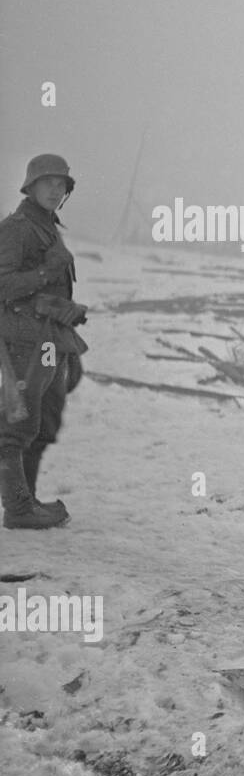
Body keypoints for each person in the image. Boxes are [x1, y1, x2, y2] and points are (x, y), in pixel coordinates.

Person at [0, 154, 90, 529]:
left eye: (61, 185)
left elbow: (41, 290)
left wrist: (64, 307)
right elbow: (4, 286)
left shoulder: (47, 228)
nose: (56, 189)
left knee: (44, 421)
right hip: (25, 339)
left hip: (49, 338)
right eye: (48, 182)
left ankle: (27, 500)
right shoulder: (18, 228)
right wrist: (47, 271)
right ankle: (18, 508)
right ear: (31, 186)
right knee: (18, 422)